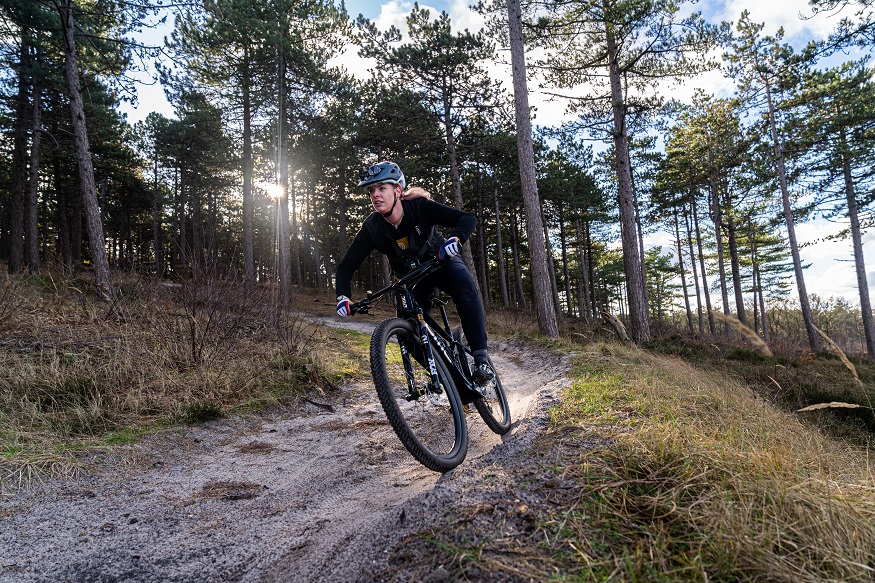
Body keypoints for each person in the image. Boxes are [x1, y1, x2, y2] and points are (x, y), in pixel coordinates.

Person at [335, 161, 494, 385]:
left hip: (440, 262)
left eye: (382, 188)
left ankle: (481, 360)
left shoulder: (419, 207)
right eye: (371, 190)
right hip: (412, 279)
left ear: (397, 190)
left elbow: (466, 219)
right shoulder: (372, 227)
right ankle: (449, 381)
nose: (375, 195)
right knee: (407, 334)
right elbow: (346, 267)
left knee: (465, 289)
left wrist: (455, 239)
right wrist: (343, 297)